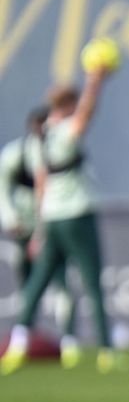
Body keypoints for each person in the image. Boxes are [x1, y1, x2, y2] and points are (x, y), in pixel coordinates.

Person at [2, 64, 123, 375]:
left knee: (38, 283)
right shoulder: (66, 131)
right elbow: (84, 117)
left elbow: (41, 185)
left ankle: (17, 343)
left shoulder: (38, 139)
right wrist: (95, 83)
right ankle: (106, 349)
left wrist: (39, 232)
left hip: (51, 219)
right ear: (67, 104)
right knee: (91, 282)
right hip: (77, 214)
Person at [0, 108, 80, 364]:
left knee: (61, 284)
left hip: (53, 226)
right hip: (26, 228)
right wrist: (10, 218)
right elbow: (3, 187)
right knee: (29, 286)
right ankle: (24, 339)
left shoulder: (62, 149)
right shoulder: (16, 154)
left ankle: (69, 341)